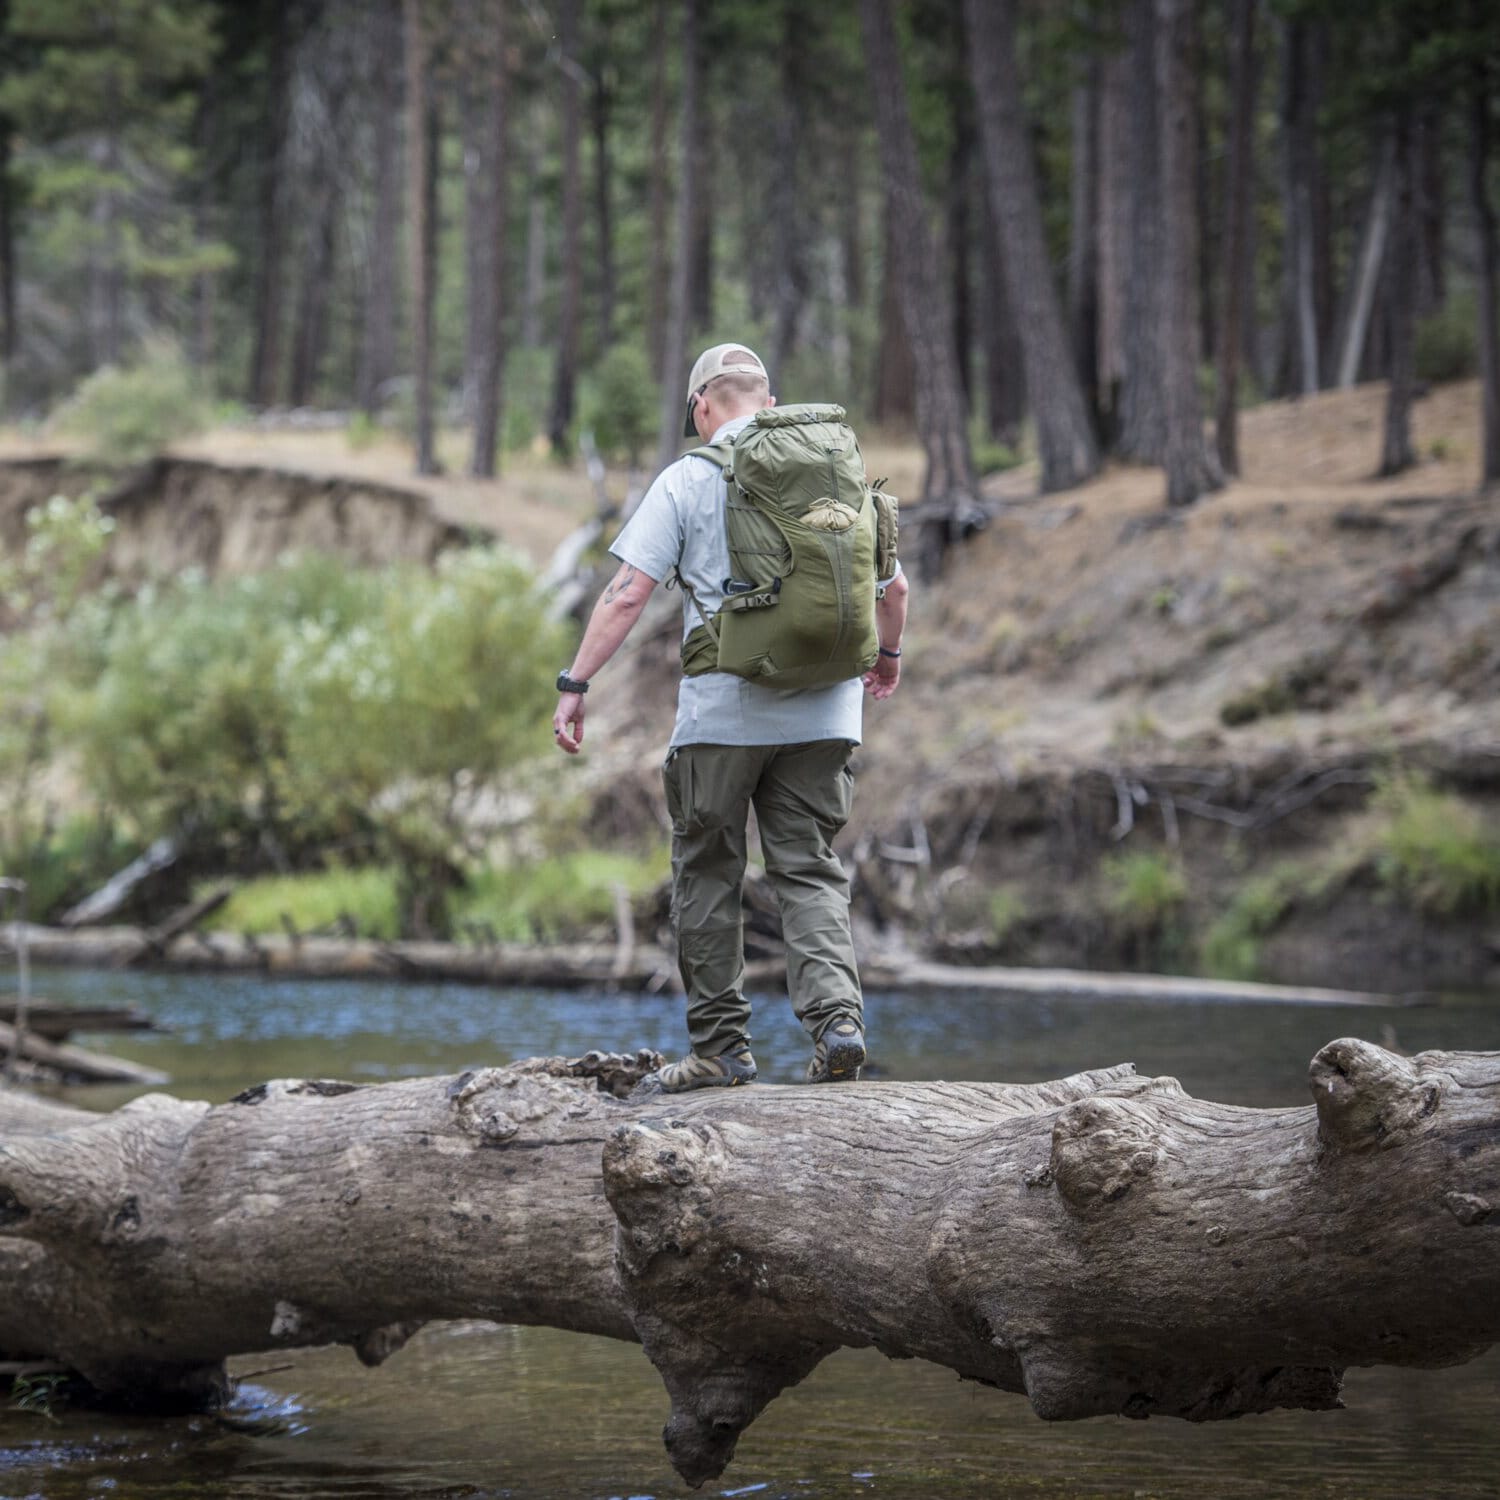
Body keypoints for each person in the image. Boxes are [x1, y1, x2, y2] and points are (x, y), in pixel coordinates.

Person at [552, 342, 908, 1092]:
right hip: (828, 714)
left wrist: (575, 680)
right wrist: (889, 659)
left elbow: (626, 593)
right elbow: (893, 594)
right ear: (768, 402)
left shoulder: (689, 477)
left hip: (724, 717)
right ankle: (838, 1024)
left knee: (708, 873)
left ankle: (722, 1051)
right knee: (808, 870)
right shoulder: (835, 470)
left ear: (701, 408)